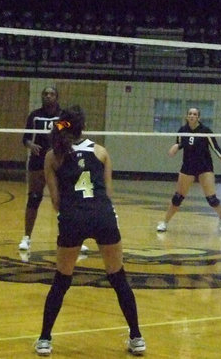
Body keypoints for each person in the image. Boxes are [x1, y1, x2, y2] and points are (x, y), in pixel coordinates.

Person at [34, 105, 144, 356]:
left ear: (63, 126)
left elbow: (54, 200)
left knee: (61, 280)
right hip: (102, 216)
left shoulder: (52, 156)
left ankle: (44, 340)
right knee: (118, 278)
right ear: (83, 127)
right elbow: (108, 192)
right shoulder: (101, 152)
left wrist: (72, 214)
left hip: (73, 217)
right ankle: (136, 337)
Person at [158, 107, 221, 233]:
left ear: (198, 117)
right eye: (190, 114)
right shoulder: (182, 131)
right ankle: (164, 222)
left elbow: (216, 148)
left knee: (212, 199)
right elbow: (179, 144)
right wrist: (174, 149)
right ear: (187, 117)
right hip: (188, 167)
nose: (192, 116)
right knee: (177, 198)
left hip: (204, 167)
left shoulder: (205, 131)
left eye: (195, 114)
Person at [19, 86, 61, 252]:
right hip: (37, 162)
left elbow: (67, 133)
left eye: (51, 94)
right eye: (45, 94)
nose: (48, 96)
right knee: (34, 198)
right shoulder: (35, 116)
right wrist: (30, 145)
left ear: (56, 97)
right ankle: (26, 238)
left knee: (62, 200)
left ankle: (72, 236)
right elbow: (25, 138)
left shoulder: (62, 117)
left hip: (58, 162)